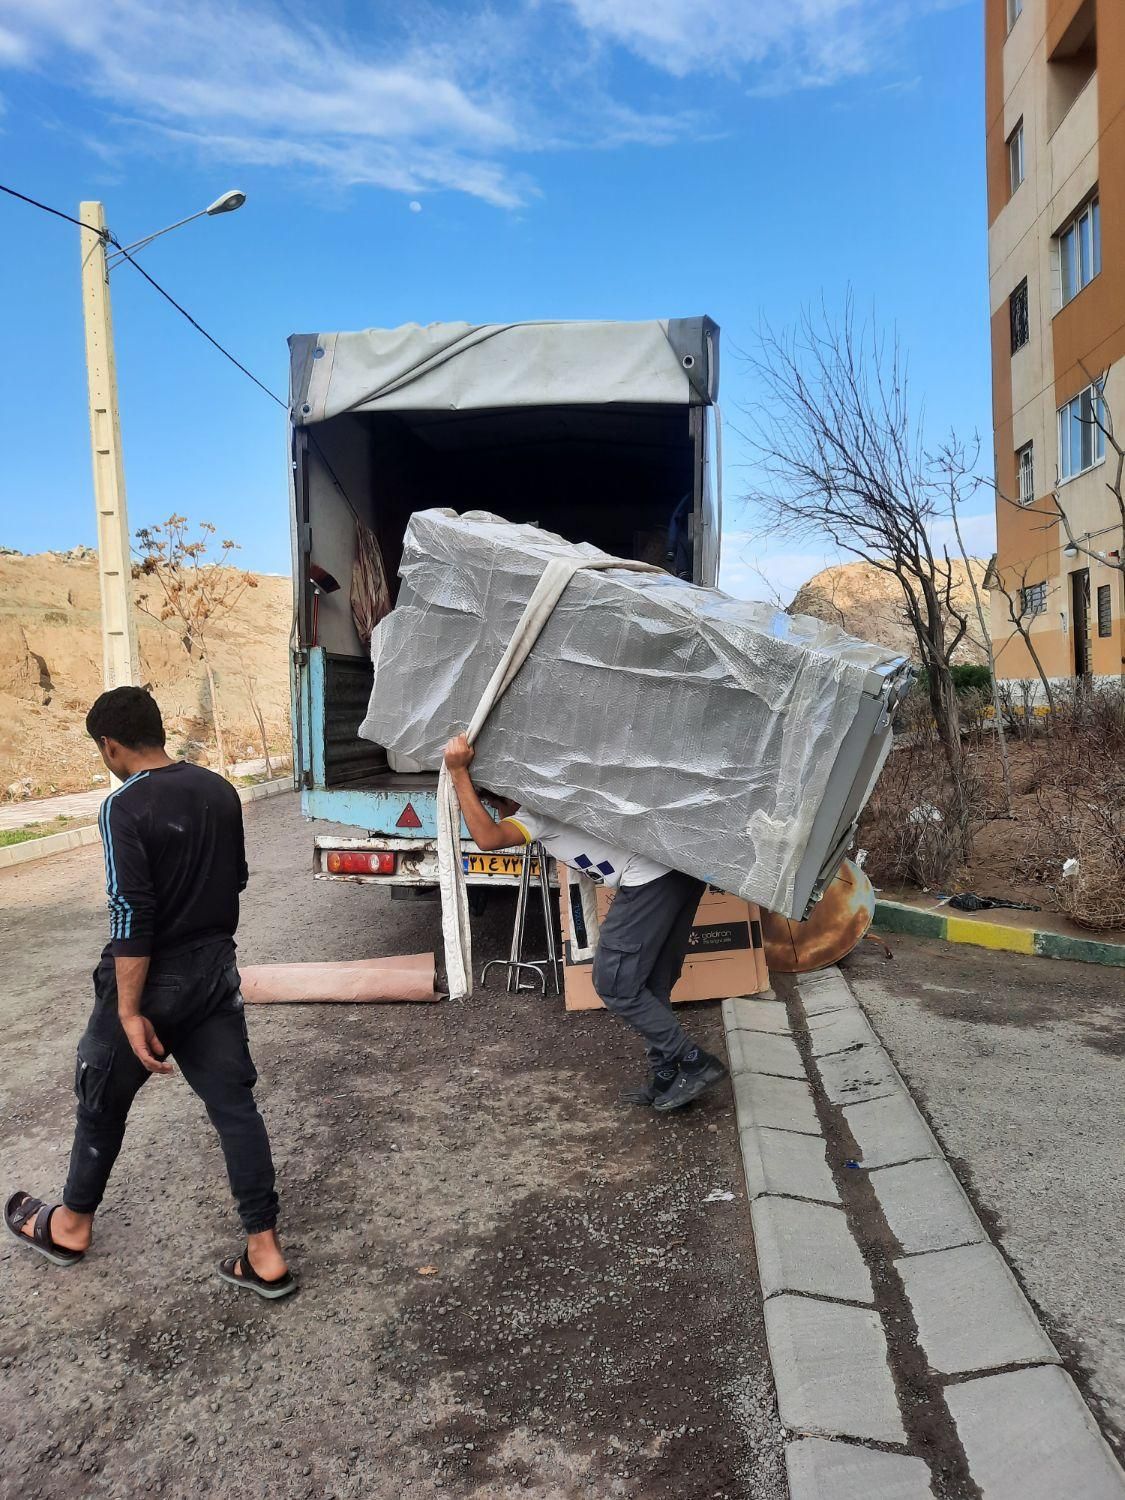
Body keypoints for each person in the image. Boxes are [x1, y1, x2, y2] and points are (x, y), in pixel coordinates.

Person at [5, 687, 294, 1300]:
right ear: (158, 731)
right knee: (234, 1106)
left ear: (110, 745)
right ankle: (264, 1252)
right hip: (216, 971)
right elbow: (235, 878)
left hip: (154, 977)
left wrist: (130, 1010)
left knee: (99, 1096)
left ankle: (72, 1224)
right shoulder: (220, 789)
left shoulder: (122, 807)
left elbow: (131, 911)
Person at [444, 735, 727, 1111]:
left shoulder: (536, 811)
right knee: (651, 984)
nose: (500, 815)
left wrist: (459, 771)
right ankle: (667, 1074)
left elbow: (487, 838)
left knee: (615, 982)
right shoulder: (562, 792)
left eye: (498, 805)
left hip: (651, 879)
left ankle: (694, 1062)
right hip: (677, 873)